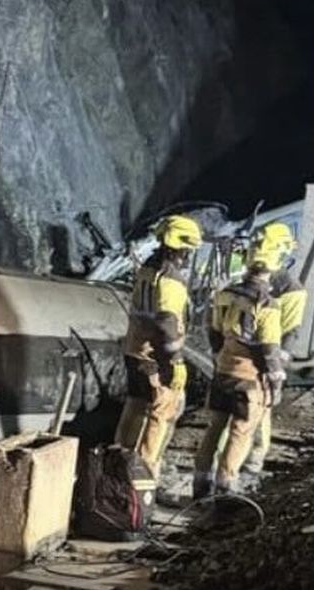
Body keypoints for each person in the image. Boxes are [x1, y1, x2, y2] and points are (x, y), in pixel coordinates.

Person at [114, 213, 201, 524]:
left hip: (134, 352)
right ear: (181, 248)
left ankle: (116, 477)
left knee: (132, 414)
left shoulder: (148, 269)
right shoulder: (172, 280)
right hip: (156, 360)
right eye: (188, 249)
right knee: (158, 420)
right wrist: (175, 364)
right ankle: (143, 489)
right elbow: (167, 326)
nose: (189, 255)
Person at [194, 260, 284, 500]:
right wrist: (276, 382)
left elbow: (213, 330)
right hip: (249, 379)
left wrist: (219, 355)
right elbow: (268, 349)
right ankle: (225, 489)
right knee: (240, 432)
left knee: (215, 427)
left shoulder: (226, 294)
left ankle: (200, 486)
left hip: (223, 371)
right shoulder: (268, 304)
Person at [242, 221, 305, 485]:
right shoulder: (252, 278)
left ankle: (252, 465)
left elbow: (290, 331)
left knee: (260, 412)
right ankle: (232, 460)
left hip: (266, 355)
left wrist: (276, 367)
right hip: (242, 353)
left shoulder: (291, 290)